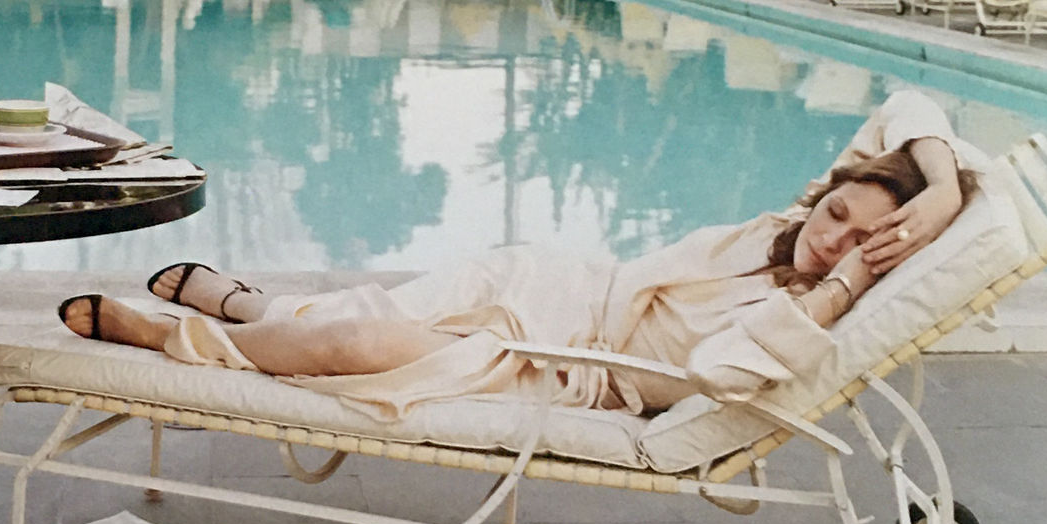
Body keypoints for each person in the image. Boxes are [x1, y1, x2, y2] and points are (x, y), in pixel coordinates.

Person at [59, 91, 979, 418]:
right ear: (830, 192)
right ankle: (244, 306)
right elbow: (911, 105)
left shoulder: (807, 316)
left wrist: (850, 279)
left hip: (566, 371)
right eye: (842, 215)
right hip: (548, 284)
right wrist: (935, 192)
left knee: (359, 346)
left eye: (863, 242)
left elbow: (710, 375)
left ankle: (179, 334)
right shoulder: (785, 225)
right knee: (375, 314)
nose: (836, 241)